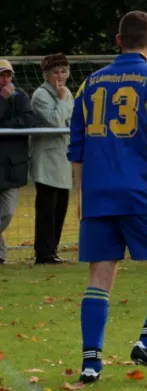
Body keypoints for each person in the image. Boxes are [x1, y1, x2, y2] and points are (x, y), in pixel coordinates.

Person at [67, 11, 147, 384]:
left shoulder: (88, 84)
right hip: (141, 192)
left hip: (98, 193)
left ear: (118, 40)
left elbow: (77, 146)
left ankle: (91, 363)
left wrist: (80, 194)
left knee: (100, 276)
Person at [30, 53, 74, 265]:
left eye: (63, 71)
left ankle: (52, 250)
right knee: (47, 208)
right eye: (55, 72)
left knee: (60, 207)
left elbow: (72, 122)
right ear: (47, 74)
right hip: (47, 160)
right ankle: (44, 252)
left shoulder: (66, 93)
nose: (60, 75)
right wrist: (63, 99)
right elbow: (56, 122)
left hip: (64, 157)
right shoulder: (41, 95)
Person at [0, 59, 37, 265]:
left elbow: (29, 120)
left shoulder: (21, 96)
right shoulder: (6, 98)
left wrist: (6, 127)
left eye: (8, 75)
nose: (5, 79)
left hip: (13, 165)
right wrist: (3, 101)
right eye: (1, 75)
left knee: (7, 212)